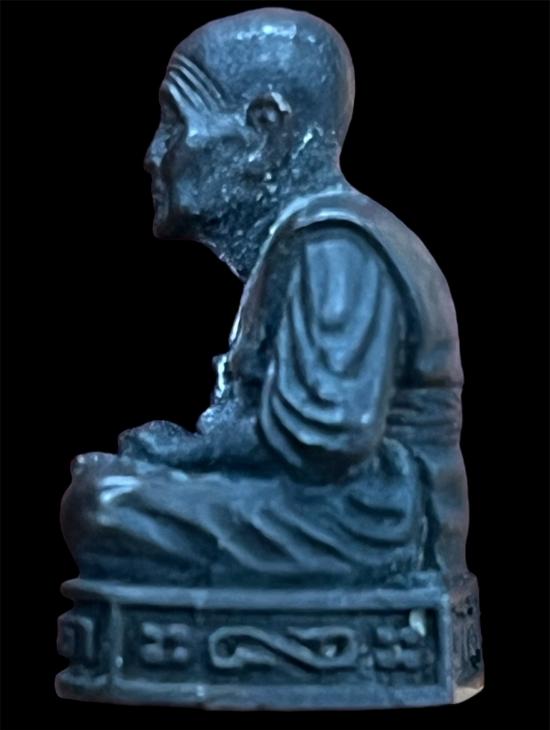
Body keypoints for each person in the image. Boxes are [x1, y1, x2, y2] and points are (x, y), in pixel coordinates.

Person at [61, 8, 470, 587]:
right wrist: (192, 455)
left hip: (367, 524)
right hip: (333, 509)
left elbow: (325, 437)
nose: (154, 153)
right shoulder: (307, 245)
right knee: (110, 488)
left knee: (101, 503)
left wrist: (195, 456)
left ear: (263, 133)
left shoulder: (333, 246)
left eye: (175, 123)